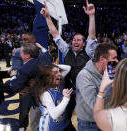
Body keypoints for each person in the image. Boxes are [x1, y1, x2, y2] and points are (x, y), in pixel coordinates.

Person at [41, 0, 97, 129]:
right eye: (73, 39)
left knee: (85, 119)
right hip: (69, 92)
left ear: (83, 44)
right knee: (65, 117)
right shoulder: (67, 51)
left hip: (85, 92)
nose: (75, 41)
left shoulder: (88, 52)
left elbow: (92, 36)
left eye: (78, 40)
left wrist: (91, 16)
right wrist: (48, 17)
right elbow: (55, 35)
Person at [75, 43, 118, 131]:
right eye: (114, 58)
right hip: (89, 123)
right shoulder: (84, 76)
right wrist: (109, 85)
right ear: (102, 59)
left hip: (107, 117)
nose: (117, 61)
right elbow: (95, 105)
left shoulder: (109, 71)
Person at [34, 64, 73, 131]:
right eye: (55, 72)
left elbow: (68, 68)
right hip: (51, 127)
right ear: (47, 76)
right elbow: (54, 115)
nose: (59, 74)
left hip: (63, 124)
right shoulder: (45, 94)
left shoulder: (57, 83)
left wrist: (52, 66)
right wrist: (66, 98)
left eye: (59, 71)